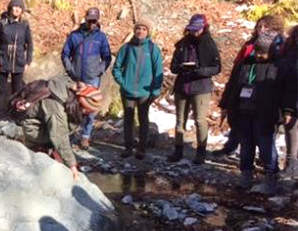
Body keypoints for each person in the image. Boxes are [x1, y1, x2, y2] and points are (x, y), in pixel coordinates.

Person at [213, 15, 285, 158]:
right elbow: (238, 66)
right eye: (259, 26)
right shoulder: (249, 45)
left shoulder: (280, 48)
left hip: (265, 100)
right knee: (242, 126)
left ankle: (268, 163)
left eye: (265, 27)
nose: (261, 29)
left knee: (264, 136)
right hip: (244, 91)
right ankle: (232, 146)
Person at [219, 33, 282, 193]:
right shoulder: (245, 64)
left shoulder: (277, 67)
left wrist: (284, 112)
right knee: (246, 146)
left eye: (263, 52)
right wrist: (225, 104)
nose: (260, 55)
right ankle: (246, 175)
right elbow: (232, 84)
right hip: (242, 111)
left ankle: (270, 177)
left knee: (266, 145)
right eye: (258, 51)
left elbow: (284, 92)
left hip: (264, 114)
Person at [16, 76, 102, 179]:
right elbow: (59, 136)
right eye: (88, 111)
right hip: (34, 128)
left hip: (45, 122)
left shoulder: (72, 89)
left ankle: (51, 150)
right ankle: (35, 148)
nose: (89, 115)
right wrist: (72, 165)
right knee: (45, 167)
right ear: (81, 103)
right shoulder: (57, 107)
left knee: (61, 137)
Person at [168, 14, 221, 165]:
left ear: (204, 28)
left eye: (197, 30)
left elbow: (217, 67)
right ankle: (178, 151)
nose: (194, 33)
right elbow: (173, 66)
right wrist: (181, 67)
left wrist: (201, 71)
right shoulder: (182, 44)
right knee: (179, 120)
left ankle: (201, 152)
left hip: (201, 86)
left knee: (199, 120)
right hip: (182, 85)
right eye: (192, 30)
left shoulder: (209, 44)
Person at [112, 18, 164, 159]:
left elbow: (158, 71)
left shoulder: (153, 49)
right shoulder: (126, 48)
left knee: (143, 119)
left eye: (144, 29)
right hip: (127, 91)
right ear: (134, 31)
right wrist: (123, 82)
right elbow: (116, 68)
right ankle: (128, 147)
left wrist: (155, 90)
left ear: (148, 32)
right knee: (128, 120)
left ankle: (141, 149)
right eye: (138, 29)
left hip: (145, 92)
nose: (140, 31)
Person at [61, 7, 112, 148]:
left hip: (92, 78)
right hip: (75, 77)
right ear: (85, 18)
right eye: (90, 20)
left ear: (98, 20)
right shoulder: (74, 35)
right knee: (72, 105)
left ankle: (85, 135)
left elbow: (107, 57)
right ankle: (70, 133)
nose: (92, 23)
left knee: (90, 108)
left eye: (94, 20)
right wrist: (70, 69)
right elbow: (65, 54)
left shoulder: (101, 37)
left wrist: (99, 70)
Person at [0, 0, 34, 121]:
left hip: (18, 62)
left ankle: (17, 116)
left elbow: (29, 44)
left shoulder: (24, 25)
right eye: (15, 6)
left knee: (18, 91)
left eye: (19, 7)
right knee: (1, 90)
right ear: (10, 8)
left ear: (22, 10)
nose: (17, 9)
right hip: (2, 60)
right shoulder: (1, 23)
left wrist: (28, 61)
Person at [279, 25, 298, 178]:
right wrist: (288, 109)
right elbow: (287, 80)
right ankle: (291, 163)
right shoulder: (290, 54)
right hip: (291, 98)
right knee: (291, 130)